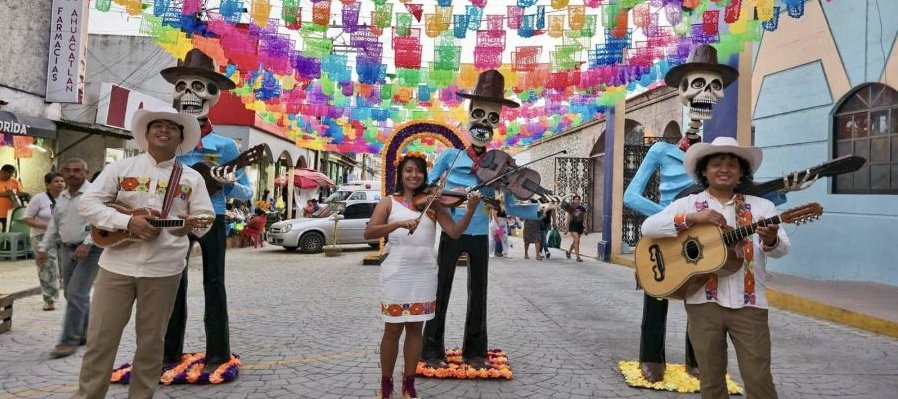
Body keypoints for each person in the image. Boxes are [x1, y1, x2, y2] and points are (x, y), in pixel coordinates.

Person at [73, 109, 214, 399]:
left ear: (181, 137)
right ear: (147, 134)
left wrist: (186, 228)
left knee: (151, 343)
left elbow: (205, 218)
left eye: (171, 127)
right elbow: (87, 204)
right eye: (157, 126)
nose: (164, 130)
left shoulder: (192, 178)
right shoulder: (121, 168)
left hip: (165, 269)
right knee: (100, 340)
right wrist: (127, 222)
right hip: (116, 266)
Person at [640, 137, 790, 399]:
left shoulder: (762, 207)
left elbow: (781, 249)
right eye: (717, 163)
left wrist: (770, 240)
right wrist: (691, 218)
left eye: (732, 164)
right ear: (704, 171)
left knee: (759, 379)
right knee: (711, 380)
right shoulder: (689, 203)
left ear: (741, 172)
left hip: (750, 304)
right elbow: (648, 227)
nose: (724, 169)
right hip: (703, 304)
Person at [421, 70, 539, 370]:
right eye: (479, 114)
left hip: (479, 234)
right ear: (469, 113)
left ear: (498, 122)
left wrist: (537, 210)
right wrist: (445, 196)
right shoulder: (449, 157)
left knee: (479, 294)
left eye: (492, 117)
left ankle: (475, 352)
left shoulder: (501, 163)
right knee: (440, 289)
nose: (484, 123)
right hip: (452, 230)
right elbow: (428, 188)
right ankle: (431, 350)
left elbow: (510, 205)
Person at [162, 49, 254, 374]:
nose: (188, 93)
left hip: (212, 217)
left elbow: (247, 192)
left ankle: (218, 352)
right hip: (174, 218)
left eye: (199, 86)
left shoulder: (226, 146)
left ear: (215, 94)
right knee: (172, 283)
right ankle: (168, 352)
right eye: (182, 86)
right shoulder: (167, 140)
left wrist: (227, 184)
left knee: (214, 283)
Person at [364, 153, 480, 399]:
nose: (413, 175)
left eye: (418, 171)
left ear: (424, 175)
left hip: (424, 273)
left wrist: (470, 211)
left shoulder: (434, 205)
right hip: (397, 273)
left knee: (416, 329)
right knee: (393, 329)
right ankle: (386, 384)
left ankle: (409, 384)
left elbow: (454, 232)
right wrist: (397, 224)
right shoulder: (388, 202)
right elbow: (370, 232)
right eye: (408, 170)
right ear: (401, 174)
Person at [36, 159, 102, 359]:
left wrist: (87, 243)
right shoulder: (62, 197)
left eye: (77, 170)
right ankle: (86, 334)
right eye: (67, 170)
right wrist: (43, 248)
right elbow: (54, 225)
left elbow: (99, 222)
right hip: (66, 249)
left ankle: (68, 341)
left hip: (90, 250)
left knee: (76, 294)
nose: (72, 174)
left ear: (86, 172)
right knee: (72, 294)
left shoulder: (94, 194)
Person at [23, 171, 65, 311]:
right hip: (41, 236)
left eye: (62, 181)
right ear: (48, 185)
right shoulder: (39, 198)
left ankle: (69, 295)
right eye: (56, 181)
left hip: (63, 237)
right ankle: (50, 299)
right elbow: (27, 218)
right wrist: (44, 225)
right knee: (47, 267)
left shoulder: (68, 198)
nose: (60, 184)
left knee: (65, 267)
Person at [0, 164, 26, 231]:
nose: (7, 177)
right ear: (1, 171)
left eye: (10, 175)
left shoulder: (15, 181)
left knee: (7, 232)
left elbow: (21, 193)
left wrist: (18, 194)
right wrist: (4, 194)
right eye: (5, 175)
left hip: (10, 213)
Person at [563, 195, 588, 262]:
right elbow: (568, 218)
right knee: (577, 240)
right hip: (572, 226)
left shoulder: (582, 208)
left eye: (578, 199)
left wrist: (585, 228)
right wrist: (566, 228)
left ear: (580, 200)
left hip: (580, 226)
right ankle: (578, 257)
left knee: (575, 241)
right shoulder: (570, 208)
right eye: (575, 199)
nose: (577, 201)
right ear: (573, 200)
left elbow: (584, 218)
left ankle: (569, 252)